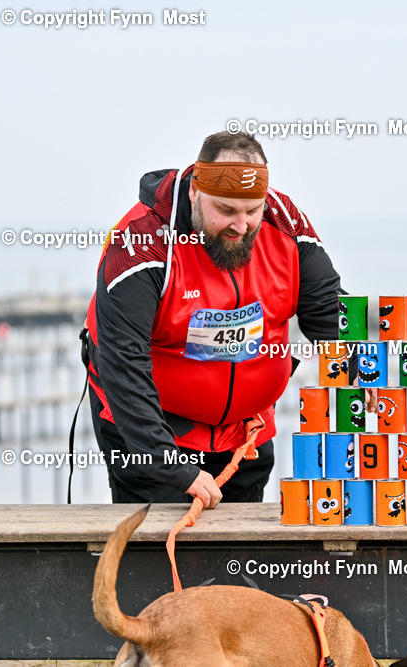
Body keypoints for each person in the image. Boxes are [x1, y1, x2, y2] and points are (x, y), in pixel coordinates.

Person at [80, 131, 342, 508]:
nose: (241, 225)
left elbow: (326, 308)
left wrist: (355, 364)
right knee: (160, 542)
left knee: (239, 545)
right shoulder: (142, 243)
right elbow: (123, 364)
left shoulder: (283, 221)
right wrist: (171, 467)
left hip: (245, 432)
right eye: (226, 210)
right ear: (194, 192)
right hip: (156, 435)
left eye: (252, 211)